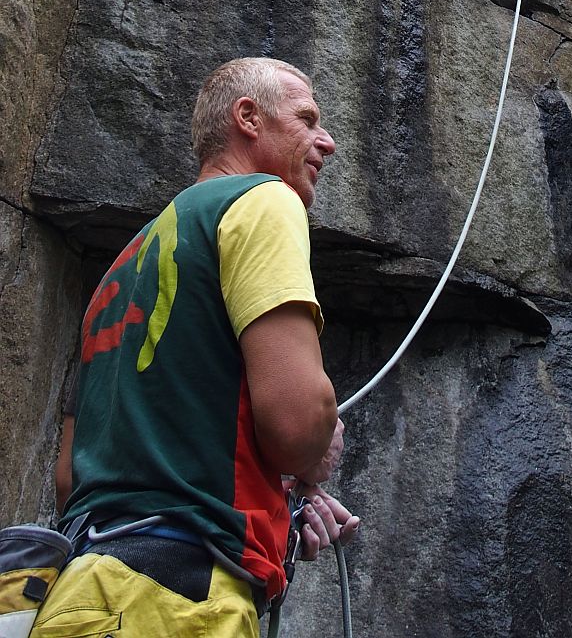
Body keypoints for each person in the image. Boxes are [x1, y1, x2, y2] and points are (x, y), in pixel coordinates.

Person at [37, 56, 360, 637]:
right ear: (248, 118)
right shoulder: (263, 201)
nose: (326, 141)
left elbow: (70, 477)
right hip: (179, 601)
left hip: (80, 595)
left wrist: (274, 502)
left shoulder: (122, 268)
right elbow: (294, 424)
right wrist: (315, 448)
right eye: (307, 119)